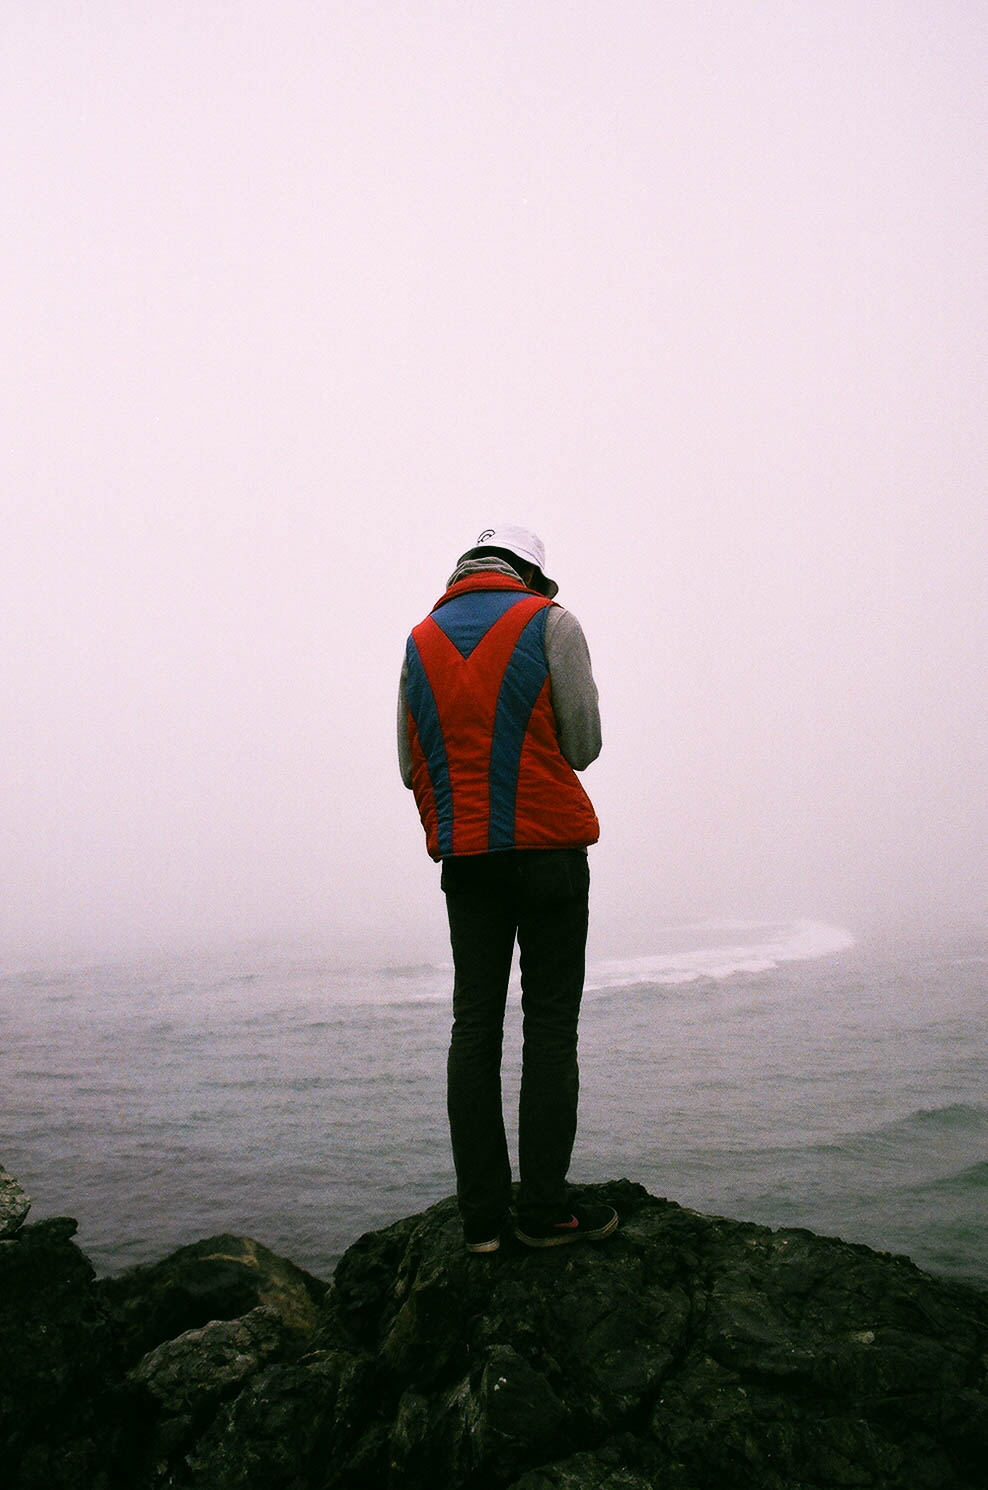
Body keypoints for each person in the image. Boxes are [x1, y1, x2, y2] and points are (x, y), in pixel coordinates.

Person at [398, 524, 617, 1252]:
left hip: (467, 862)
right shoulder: (553, 623)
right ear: (532, 575)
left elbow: (409, 766)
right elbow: (583, 746)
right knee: (549, 1027)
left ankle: (483, 1222)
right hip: (549, 855)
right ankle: (545, 1210)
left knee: (475, 1026)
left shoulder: (419, 641)